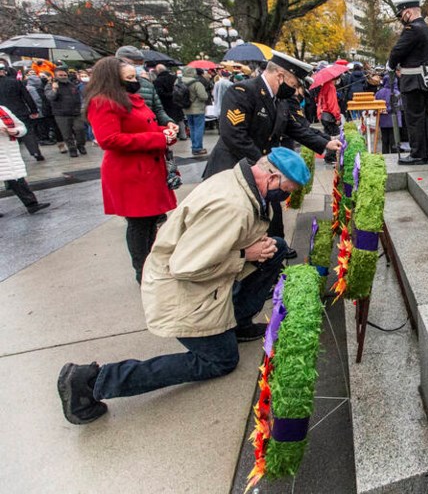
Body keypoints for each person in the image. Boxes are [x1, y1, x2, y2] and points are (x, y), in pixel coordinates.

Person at [56, 148, 309, 424]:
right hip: (182, 293)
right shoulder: (233, 208)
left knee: (277, 249)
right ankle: (91, 381)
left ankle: (237, 322)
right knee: (220, 360)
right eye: (287, 189)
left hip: (204, 280)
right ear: (272, 178)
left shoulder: (242, 182)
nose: (285, 198)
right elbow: (186, 266)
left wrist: (256, 249)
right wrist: (245, 254)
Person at [203, 51, 341, 255]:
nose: (294, 90)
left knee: (271, 214)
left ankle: (276, 251)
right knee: (238, 225)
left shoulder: (280, 100)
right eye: (294, 85)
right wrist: (263, 162)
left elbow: (296, 128)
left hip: (263, 173)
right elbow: (233, 135)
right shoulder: (242, 92)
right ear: (280, 76)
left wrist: (326, 143)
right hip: (233, 170)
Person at [85, 57, 179, 284]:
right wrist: (159, 137)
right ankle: (142, 271)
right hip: (130, 172)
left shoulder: (130, 99)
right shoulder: (103, 102)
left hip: (146, 168)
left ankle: (151, 265)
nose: (134, 81)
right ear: (113, 79)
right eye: (129, 78)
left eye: (134, 77)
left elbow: (142, 126)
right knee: (138, 224)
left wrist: (165, 130)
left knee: (151, 222)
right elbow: (110, 139)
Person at [388, 0, 428, 166]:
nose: (401, 19)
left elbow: (397, 52)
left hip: (414, 81)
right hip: (424, 80)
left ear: (408, 12)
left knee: (414, 119)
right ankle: (426, 154)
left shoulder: (412, 29)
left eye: (401, 15)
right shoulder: (426, 29)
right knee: (425, 118)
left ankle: (418, 154)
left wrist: (391, 65)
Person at [116, 46, 179, 136]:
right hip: (128, 137)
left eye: (140, 63)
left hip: (149, 133)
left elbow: (158, 109)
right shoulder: (111, 88)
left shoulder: (147, 84)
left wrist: (168, 122)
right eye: (134, 63)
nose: (137, 66)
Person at [0, 104, 50, 216]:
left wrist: (14, 131)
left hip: (9, 150)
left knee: (16, 177)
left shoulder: (3, 109)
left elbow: (21, 127)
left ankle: (32, 204)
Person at [0, 63, 43, 161]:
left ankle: (14, 155)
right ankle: (35, 152)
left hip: (3, 115)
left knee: (8, 134)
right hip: (20, 111)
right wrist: (34, 110)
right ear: (4, 71)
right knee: (28, 132)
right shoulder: (16, 82)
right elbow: (27, 97)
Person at [44, 67, 86, 157]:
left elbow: (79, 95)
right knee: (66, 133)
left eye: (64, 75)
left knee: (80, 129)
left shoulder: (71, 84)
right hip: (61, 114)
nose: (63, 77)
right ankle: (72, 148)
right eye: (60, 75)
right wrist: (54, 89)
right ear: (55, 76)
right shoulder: (50, 85)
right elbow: (50, 97)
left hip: (76, 112)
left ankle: (80, 145)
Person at [180, 66, 210, 156]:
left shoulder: (179, 81)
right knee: (198, 128)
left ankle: (194, 146)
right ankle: (197, 148)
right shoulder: (196, 83)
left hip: (186, 108)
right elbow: (203, 96)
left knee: (192, 128)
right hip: (198, 109)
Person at [375, 68, 402, 155]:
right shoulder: (396, 92)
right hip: (393, 119)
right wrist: (389, 109)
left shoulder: (379, 92)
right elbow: (398, 105)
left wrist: (382, 110)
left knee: (384, 140)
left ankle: (385, 155)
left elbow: (375, 104)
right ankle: (394, 156)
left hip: (382, 118)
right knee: (394, 140)